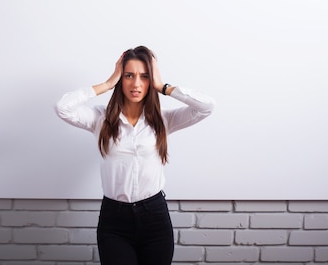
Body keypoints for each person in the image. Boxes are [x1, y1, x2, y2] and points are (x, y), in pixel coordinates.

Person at [55, 46, 215, 265]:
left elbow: (206, 107)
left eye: (144, 76)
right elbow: (62, 107)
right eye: (129, 75)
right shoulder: (99, 119)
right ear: (121, 78)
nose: (136, 84)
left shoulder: (163, 120)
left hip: (155, 219)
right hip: (114, 221)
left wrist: (163, 86)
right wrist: (108, 83)